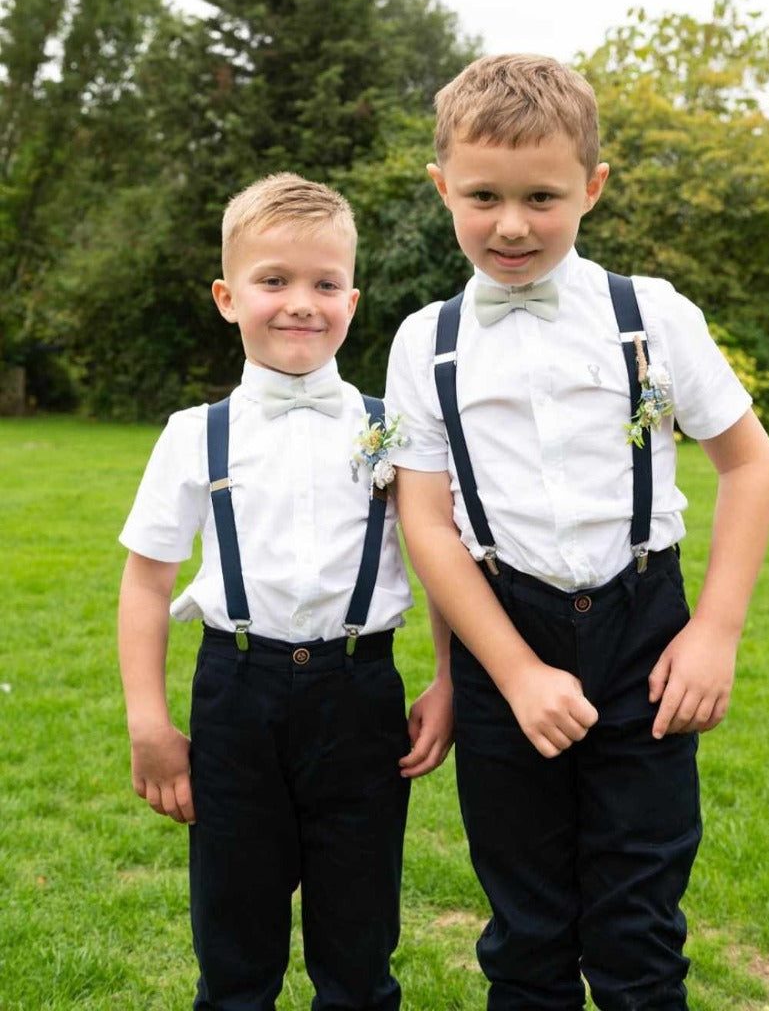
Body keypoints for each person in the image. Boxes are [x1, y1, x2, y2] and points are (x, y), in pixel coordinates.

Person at [384, 54, 769, 1010]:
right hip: (502, 636)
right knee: (526, 931)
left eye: (542, 197)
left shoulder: (652, 314)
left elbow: (750, 465)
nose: (512, 225)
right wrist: (513, 673)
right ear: (442, 187)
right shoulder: (424, 341)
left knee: (639, 928)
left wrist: (715, 631)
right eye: (483, 196)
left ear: (592, 188)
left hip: (646, 635)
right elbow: (427, 523)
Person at [118, 172, 453, 1011]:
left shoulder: (393, 428)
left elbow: (440, 561)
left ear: (352, 301)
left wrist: (449, 681)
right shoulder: (193, 435)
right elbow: (147, 582)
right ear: (228, 297)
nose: (301, 303)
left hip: (360, 694)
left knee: (360, 944)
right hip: (236, 696)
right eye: (274, 280)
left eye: (325, 284)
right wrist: (149, 721)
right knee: (235, 944)